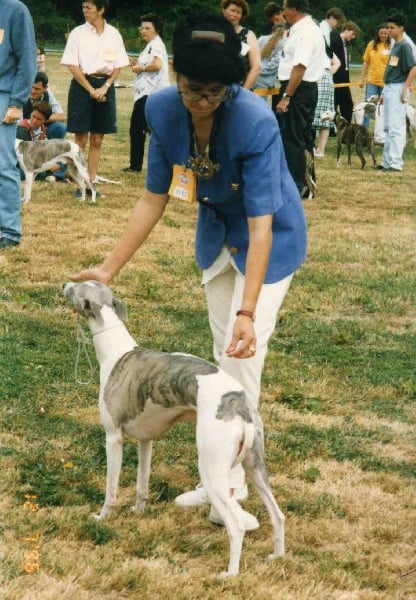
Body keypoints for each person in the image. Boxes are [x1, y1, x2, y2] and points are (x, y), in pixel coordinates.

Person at [70, 10, 307, 530]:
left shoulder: (255, 120)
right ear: (175, 76)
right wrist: (107, 269)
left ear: (231, 85)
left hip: (270, 239)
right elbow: (153, 199)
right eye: (192, 89)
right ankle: (222, 473)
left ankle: (230, 487)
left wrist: (249, 309)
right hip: (218, 236)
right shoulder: (160, 108)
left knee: (243, 355)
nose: (201, 101)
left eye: (214, 92)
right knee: (224, 358)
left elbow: (262, 225)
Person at [61, 0, 129, 197]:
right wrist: (91, 89)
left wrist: (105, 87)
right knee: (80, 138)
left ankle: (91, 182)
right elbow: (73, 65)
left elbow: (119, 64)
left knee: (97, 139)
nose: (84, 11)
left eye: (88, 7)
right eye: (83, 7)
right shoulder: (77, 33)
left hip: (105, 86)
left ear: (101, 10)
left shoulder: (114, 34)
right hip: (83, 86)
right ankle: (79, 183)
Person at [276, 0, 326, 198]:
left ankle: (296, 185)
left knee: (293, 137)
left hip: (297, 89)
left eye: (284, 8)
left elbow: (299, 66)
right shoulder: (303, 29)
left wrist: (287, 96)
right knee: (303, 137)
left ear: (293, 10)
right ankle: (306, 181)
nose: (283, 12)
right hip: (301, 88)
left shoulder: (306, 32)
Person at [0, 0, 37, 251]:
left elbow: (27, 59)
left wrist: (16, 102)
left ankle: (9, 230)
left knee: (2, 166)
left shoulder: (14, 10)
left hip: (4, 95)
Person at [123, 13, 169, 173]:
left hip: (150, 95)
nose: (143, 31)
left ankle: (135, 166)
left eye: (147, 28)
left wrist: (141, 68)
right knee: (151, 130)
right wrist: (136, 64)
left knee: (137, 129)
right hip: (149, 94)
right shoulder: (151, 46)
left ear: (156, 29)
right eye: (141, 28)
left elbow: (157, 65)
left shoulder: (155, 45)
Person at [377, 14, 416, 172]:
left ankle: (396, 163)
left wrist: (405, 87)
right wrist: (384, 93)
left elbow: (413, 67)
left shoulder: (405, 46)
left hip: (398, 87)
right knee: (387, 127)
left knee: (396, 127)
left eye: (392, 28)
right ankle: (387, 161)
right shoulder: (395, 45)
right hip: (390, 88)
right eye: (388, 27)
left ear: (401, 28)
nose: (389, 30)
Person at [312, 8, 345, 157]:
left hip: (317, 74)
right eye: (337, 21)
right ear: (330, 17)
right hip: (324, 75)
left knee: (316, 114)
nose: (337, 25)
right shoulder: (323, 31)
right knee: (324, 115)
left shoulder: (322, 31)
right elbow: (336, 62)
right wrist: (327, 76)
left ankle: (316, 149)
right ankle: (320, 150)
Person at [17, 101, 68, 183]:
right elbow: (26, 156)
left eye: (39, 119)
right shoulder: (22, 129)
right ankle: (53, 175)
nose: (34, 121)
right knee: (21, 172)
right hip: (25, 162)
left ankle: (51, 175)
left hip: (40, 161)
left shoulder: (45, 131)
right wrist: (48, 166)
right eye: (33, 116)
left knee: (64, 160)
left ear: (45, 120)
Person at [221, 0, 261, 90]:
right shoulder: (214, 31)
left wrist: (244, 92)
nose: (235, 14)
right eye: (232, 10)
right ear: (223, 10)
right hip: (215, 92)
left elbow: (256, 67)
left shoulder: (248, 35)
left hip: (240, 89)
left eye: (239, 12)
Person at [359, 24, 391, 129]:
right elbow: (366, 63)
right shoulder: (371, 44)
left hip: (386, 82)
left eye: (386, 33)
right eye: (381, 33)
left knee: (384, 108)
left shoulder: (392, 46)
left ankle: (383, 132)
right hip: (372, 81)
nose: (383, 35)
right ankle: (363, 131)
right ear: (378, 33)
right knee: (368, 106)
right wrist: (362, 78)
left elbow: (395, 64)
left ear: (389, 34)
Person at [330, 21, 361, 122]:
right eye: (353, 34)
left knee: (348, 104)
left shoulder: (346, 44)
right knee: (333, 103)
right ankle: (332, 128)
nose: (353, 37)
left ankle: (346, 125)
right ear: (346, 30)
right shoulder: (334, 41)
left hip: (345, 79)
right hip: (335, 78)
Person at [22, 72, 67, 140]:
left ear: (45, 88)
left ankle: (52, 149)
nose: (33, 91)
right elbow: (17, 123)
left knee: (60, 127)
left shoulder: (48, 94)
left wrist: (41, 119)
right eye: (31, 87)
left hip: (42, 129)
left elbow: (61, 116)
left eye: (37, 89)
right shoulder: (21, 94)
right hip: (24, 129)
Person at [254, 23, 287, 100]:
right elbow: (275, 64)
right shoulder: (283, 44)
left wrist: (255, 70)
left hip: (252, 78)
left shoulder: (261, 38)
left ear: (272, 30)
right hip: (264, 82)